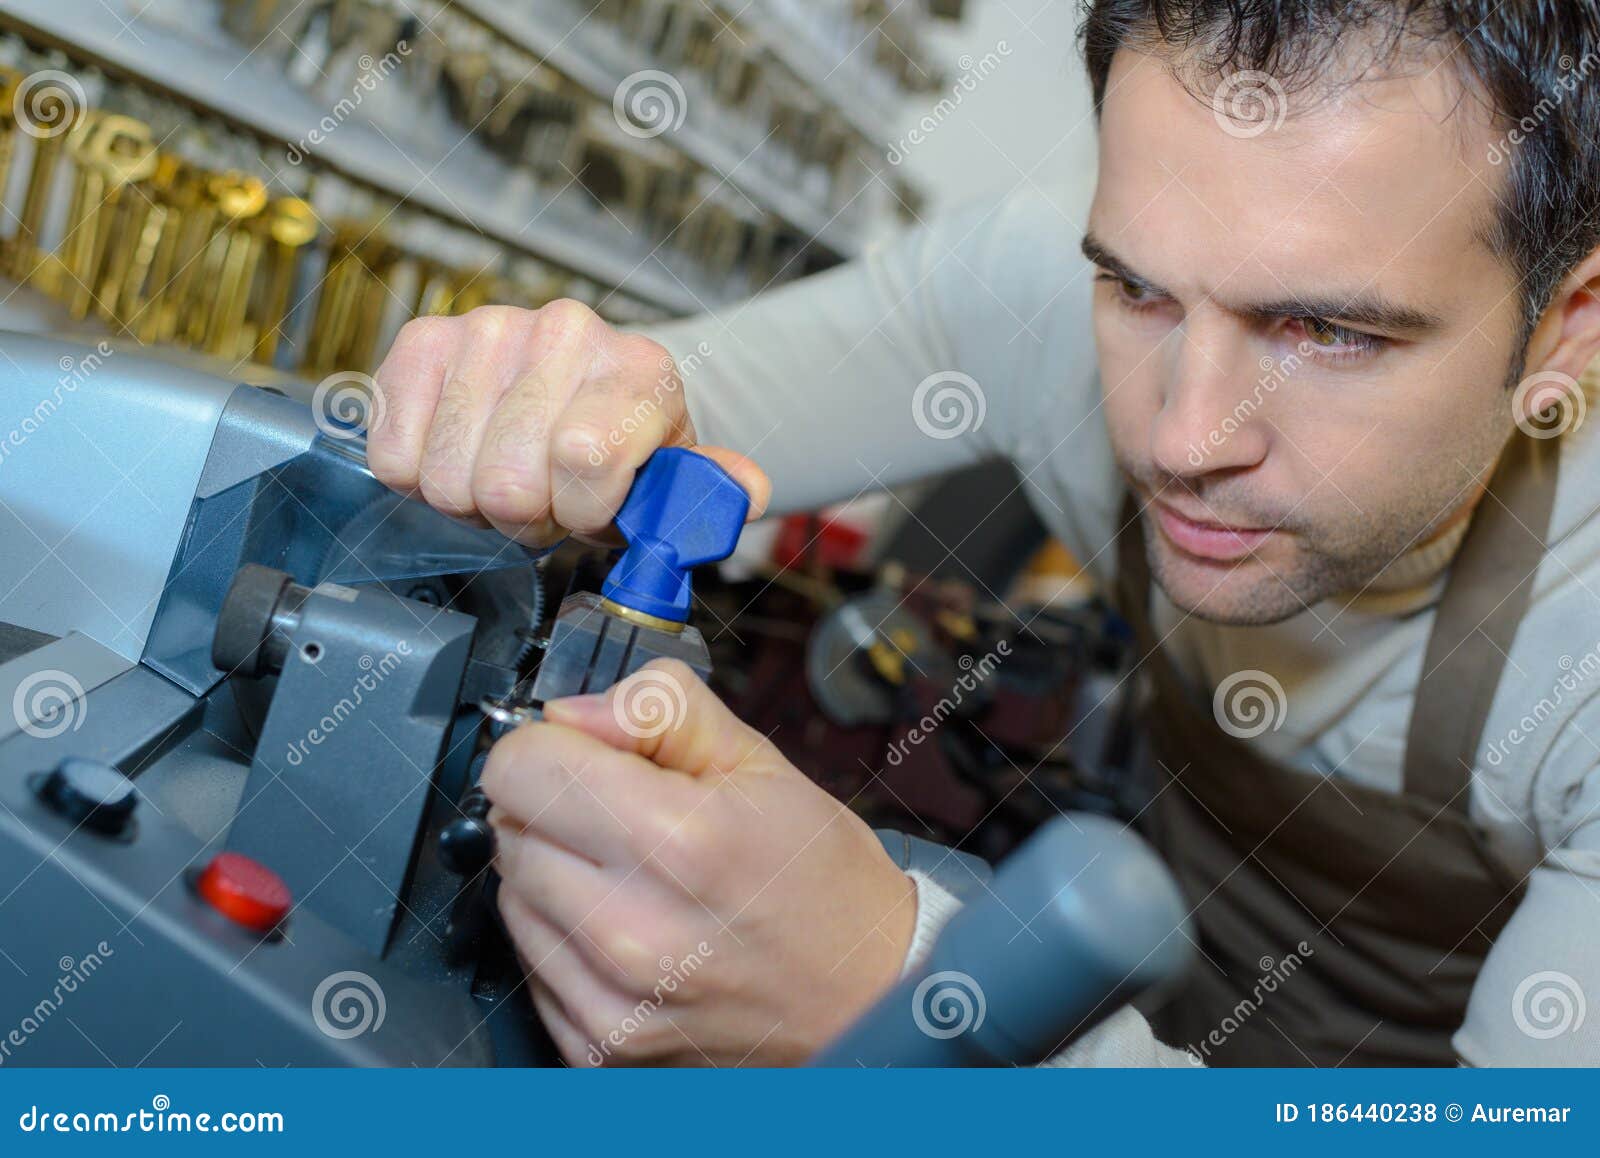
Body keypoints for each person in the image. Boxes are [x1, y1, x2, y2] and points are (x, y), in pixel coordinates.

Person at [365, 1, 1600, 1066]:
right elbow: (640, 415)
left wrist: (912, 993)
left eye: (1329, 335)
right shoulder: (1035, 298)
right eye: (1139, 290)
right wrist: (529, 394)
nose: (1182, 436)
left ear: (1566, 327)